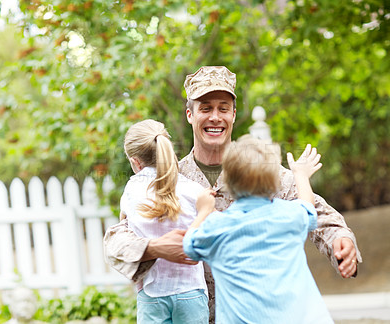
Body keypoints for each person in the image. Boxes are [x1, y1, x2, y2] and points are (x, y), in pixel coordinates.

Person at [104, 66, 362, 323]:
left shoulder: (259, 171)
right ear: (190, 115)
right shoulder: (167, 178)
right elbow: (116, 240)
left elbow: (312, 208)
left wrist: (339, 238)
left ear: (234, 115)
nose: (215, 117)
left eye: (223, 108)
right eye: (205, 108)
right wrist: (154, 247)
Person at [183, 137, 334, 324]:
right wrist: (300, 175)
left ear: (228, 181)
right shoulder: (290, 216)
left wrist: (204, 211)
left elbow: (189, 246)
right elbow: (309, 210)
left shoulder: (217, 228)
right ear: (274, 181)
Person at [119, 119, 209, 323]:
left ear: (135, 161)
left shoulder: (132, 190)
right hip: (191, 291)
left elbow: (123, 231)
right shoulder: (192, 189)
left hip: (152, 293)